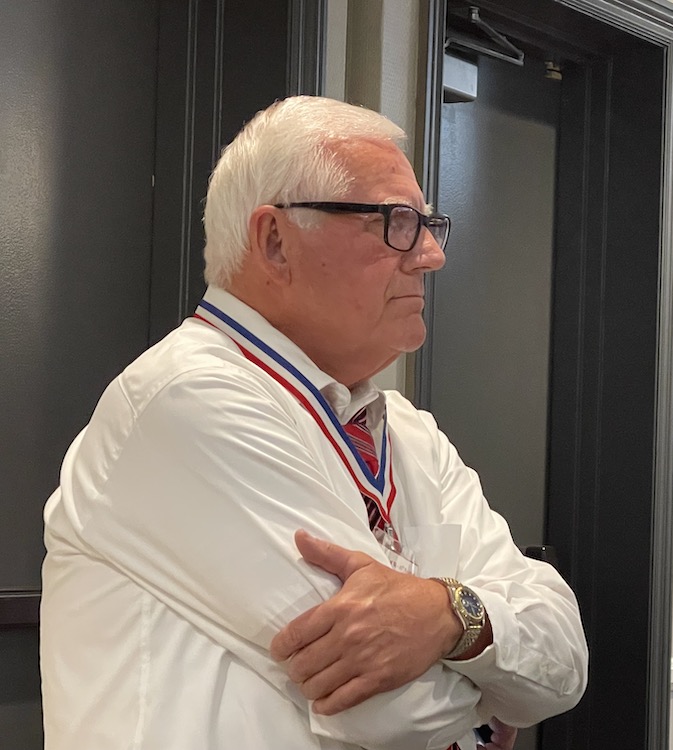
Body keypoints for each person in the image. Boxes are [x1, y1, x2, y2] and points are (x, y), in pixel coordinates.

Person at [39, 95, 588, 750]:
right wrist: (494, 690)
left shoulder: (410, 435)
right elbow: (385, 711)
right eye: (395, 223)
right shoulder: (186, 397)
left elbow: (564, 661)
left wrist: (449, 616)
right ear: (275, 241)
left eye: (428, 224)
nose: (430, 255)